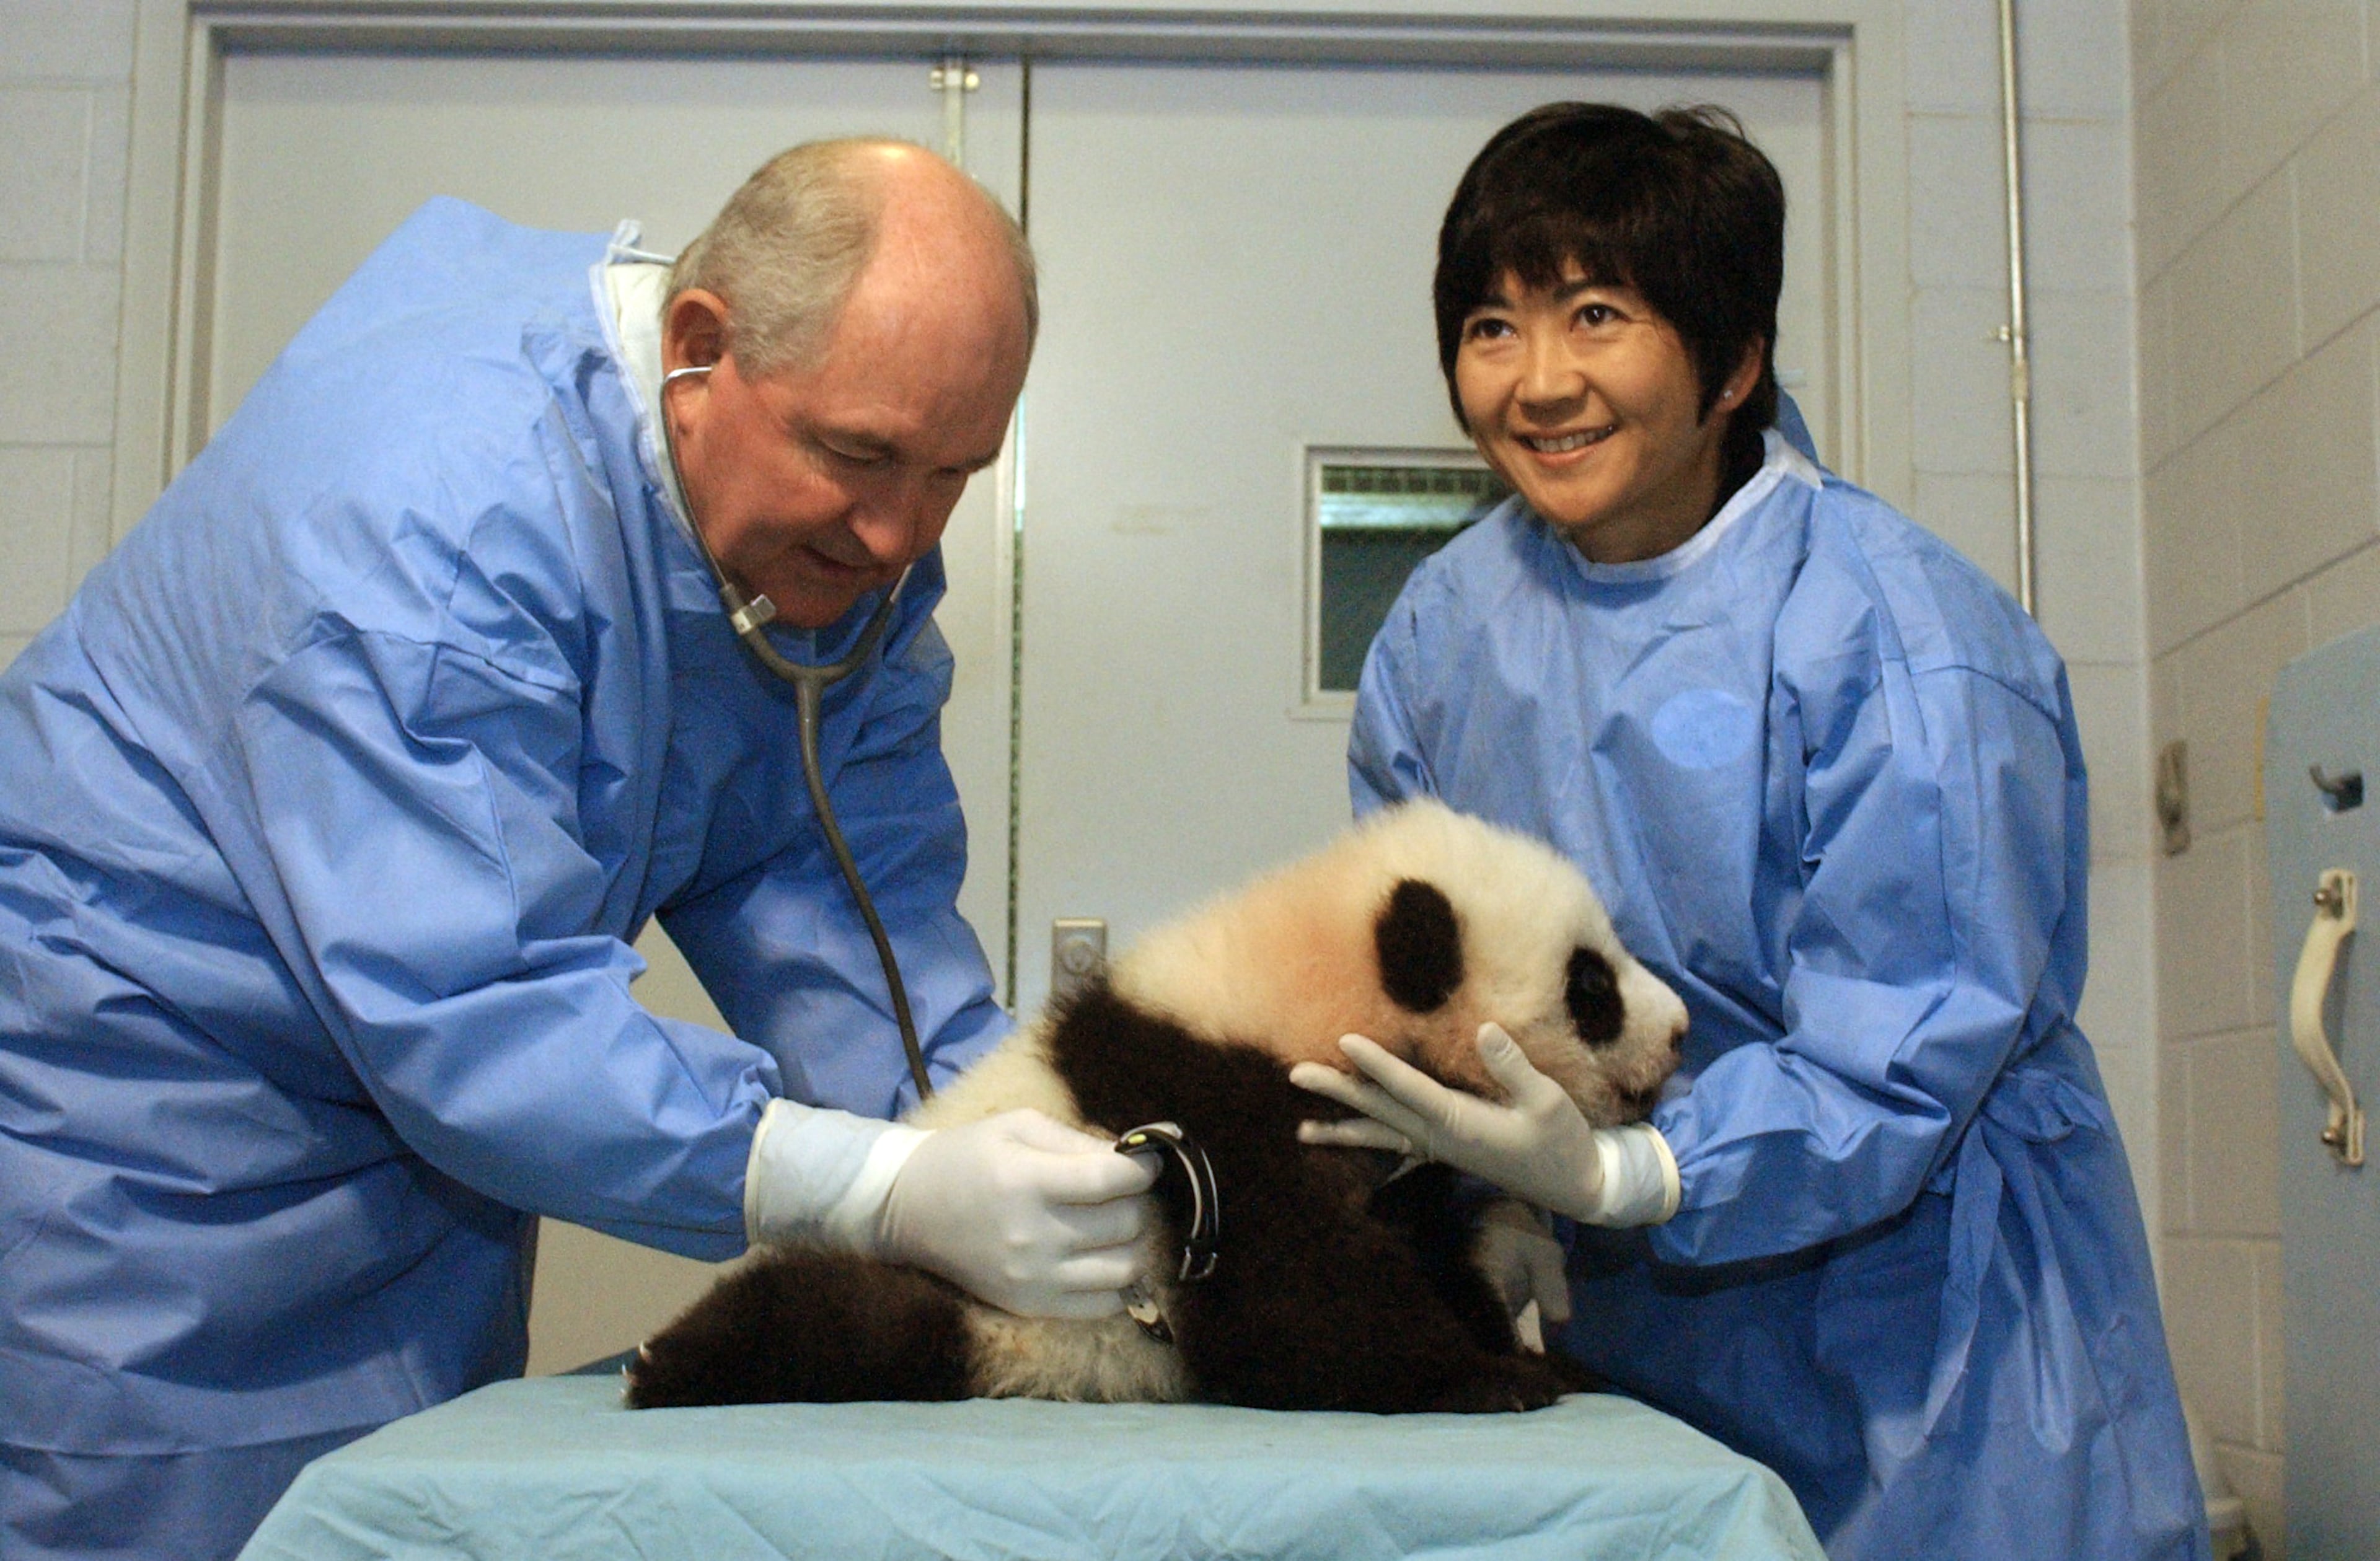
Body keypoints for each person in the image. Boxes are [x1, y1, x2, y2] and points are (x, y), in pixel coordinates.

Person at [0, 140, 1153, 1560]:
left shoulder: (815, 557)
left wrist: (1005, 1137)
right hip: (137, 1163)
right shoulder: (429, 539)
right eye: (858, 456)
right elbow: (471, 1010)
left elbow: (841, 894)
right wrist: (880, 1190)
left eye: (953, 475)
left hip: (420, 1204)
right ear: (697, 347)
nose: (900, 534)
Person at [1292, 103, 2211, 1559]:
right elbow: (1435, 969)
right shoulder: (1444, 634)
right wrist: (1487, 1196)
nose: (1538, 383)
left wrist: (1637, 1174)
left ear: (1732, 360)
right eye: (1492, 324)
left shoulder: (1899, 638)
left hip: (1942, 1368)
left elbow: (1905, 1047)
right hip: (1640, 1347)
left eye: (1596, 315)